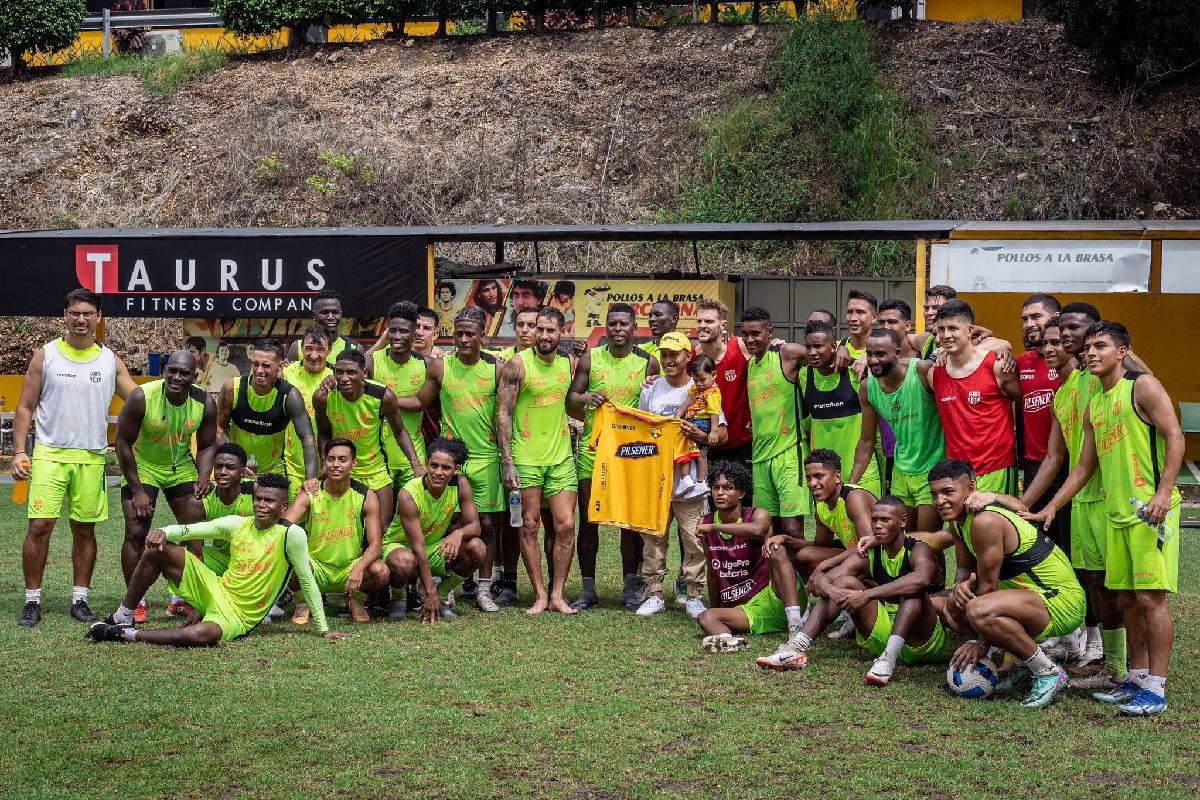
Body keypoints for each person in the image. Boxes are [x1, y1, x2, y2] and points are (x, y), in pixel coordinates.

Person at [1025, 321, 1181, 716]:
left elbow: (1175, 436)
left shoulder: (1141, 387)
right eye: (1088, 348)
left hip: (1150, 512)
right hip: (1116, 512)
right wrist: (1053, 505)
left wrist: (1163, 494)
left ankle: (1157, 690)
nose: (1091, 353)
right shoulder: (1095, 403)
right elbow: (1081, 468)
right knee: (1128, 598)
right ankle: (1137, 677)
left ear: (1122, 352)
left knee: (1151, 600)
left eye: (1101, 346)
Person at [84, 473, 349, 646]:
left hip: (240, 614)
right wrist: (163, 531)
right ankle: (124, 615)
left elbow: (306, 578)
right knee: (159, 548)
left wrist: (324, 628)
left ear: (283, 506)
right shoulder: (238, 524)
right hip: (215, 588)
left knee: (202, 635)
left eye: (270, 501)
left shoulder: (291, 534)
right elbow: (192, 530)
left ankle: (125, 634)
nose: (261, 505)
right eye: (258, 498)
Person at [14, 288, 137, 627]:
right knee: (40, 526)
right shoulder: (47, 355)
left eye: (88, 313)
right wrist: (20, 451)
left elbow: (139, 397)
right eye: (75, 313)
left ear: (98, 318)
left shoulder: (109, 360)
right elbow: (25, 406)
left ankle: (80, 600)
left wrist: (180, 393)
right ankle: (31, 601)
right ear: (65, 315)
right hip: (50, 455)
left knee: (84, 530)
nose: (81, 319)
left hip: (92, 457)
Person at [1021, 305, 1129, 686]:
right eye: (1056, 332)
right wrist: (1026, 504)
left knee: (1128, 589)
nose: (1062, 337)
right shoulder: (1065, 391)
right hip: (1081, 497)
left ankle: (1133, 669)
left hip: (1116, 495)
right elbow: (1056, 457)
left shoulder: (1113, 376)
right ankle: (1108, 662)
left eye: (1070, 329)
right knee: (1091, 578)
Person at [931, 459, 1085, 710]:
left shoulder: (985, 521)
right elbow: (964, 570)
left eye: (948, 492)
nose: (940, 502)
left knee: (978, 609)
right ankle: (1024, 666)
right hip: (1028, 600)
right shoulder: (959, 523)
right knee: (954, 606)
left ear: (971, 489)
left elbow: (989, 590)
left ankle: (1047, 672)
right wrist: (959, 586)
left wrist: (981, 645)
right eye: (934, 494)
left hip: (1060, 601)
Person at [391, 306, 504, 613]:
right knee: (451, 521)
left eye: (471, 334)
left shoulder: (497, 368)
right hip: (451, 457)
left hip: (486, 457)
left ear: (483, 335)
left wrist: (508, 459)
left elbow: (507, 414)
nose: (464, 339)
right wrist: (381, 396)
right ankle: (446, 589)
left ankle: (483, 590)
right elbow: (418, 402)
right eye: (460, 333)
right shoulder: (441, 367)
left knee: (487, 524)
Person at [770, 497, 949, 684]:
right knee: (844, 581)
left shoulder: (919, 550)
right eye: (874, 520)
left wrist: (867, 595)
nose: (877, 525)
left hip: (923, 642)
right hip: (886, 631)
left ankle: (888, 660)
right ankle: (797, 647)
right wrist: (833, 592)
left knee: (912, 591)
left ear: (903, 521)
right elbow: (823, 581)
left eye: (885, 520)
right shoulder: (870, 552)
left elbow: (920, 580)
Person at [567, 303, 659, 610]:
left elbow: (656, 408)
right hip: (594, 453)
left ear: (635, 328)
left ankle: (629, 590)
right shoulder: (591, 359)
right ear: (606, 327)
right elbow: (570, 402)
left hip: (631, 455)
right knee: (589, 520)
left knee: (629, 523)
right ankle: (587, 590)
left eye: (624, 324)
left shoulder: (648, 362)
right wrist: (586, 397)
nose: (618, 329)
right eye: (613, 324)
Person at [114, 350, 217, 622]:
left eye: (184, 373)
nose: (177, 377)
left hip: (180, 465)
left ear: (195, 377)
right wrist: (137, 490)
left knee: (194, 529)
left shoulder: (204, 401)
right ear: (165, 371)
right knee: (137, 531)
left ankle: (183, 598)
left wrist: (204, 475)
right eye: (172, 370)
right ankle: (136, 602)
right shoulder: (141, 397)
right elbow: (122, 443)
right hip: (144, 465)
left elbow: (207, 445)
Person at [752, 448, 876, 667]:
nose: (812, 483)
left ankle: (798, 644)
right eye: (808, 478)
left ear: (837, 476)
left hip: (877, 563)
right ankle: (811, 622)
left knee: (829, 578)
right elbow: (820, 547)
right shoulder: (822, 506)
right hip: (856, 561)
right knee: (805, 555)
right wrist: (785, 539)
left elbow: (869, 545)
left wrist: (825, 567)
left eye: (819, 476)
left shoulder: (853, 497)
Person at [635, 332, 729, 618]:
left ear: (688, 357)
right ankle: (655, 594)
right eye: (664, 354)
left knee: (695, 539)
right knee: (653, 539)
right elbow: (640, 429)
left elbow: (722, 434)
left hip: (692, 486)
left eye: (674, 354)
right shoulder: (651, 388)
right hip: (656, 479)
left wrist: (699, 434)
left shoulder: (703, 387)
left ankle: (693, 595)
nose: (668, 360)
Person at [498, 307, 578, 615]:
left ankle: (558, 594)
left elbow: (575, 399)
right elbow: (503, 413)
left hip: (560, 458)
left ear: (562, 332)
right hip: (526, 458)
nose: (543, 335)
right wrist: (507, 460)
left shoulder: (568, 364)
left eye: (550, 330)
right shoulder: (517, 365)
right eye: (539, 329)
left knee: (566, 526)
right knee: (529, 525)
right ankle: (540, 595)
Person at [694, 461, 798, 653]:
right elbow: (712, 571)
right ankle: (729, 642)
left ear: (742, 493)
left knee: (775, 549)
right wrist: (717, 610)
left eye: (728, 488)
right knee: (706, 616)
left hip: (775, 597)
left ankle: (796, 624)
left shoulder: (758, 514)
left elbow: (759, 530)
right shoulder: (706, 522)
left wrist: (714, 528)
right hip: (745, 610)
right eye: (715, 487)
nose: (720, 493)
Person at [284, 439, 390, 625]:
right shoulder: (311, 492)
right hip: (315, 568)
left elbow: (375, 545)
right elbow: (283, 526)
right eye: (331, 459)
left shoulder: (366, 496)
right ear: (324, 462)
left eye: (342, 459)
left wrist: (359, 567)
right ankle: (303, 601)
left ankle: (356, 599)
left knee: (381, 572)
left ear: (353, 464)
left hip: (349, 570)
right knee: (292, 565)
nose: (336, 465)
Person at [314, 351, 424, 525]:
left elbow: (400, 431)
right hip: (343, 471)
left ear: (364, 373)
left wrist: (415, 464)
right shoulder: (323, 397)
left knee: (382, 527)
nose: (344, 378)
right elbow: (323, 433)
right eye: (339, 372)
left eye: (351, 372)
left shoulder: (383, 397)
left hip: (376, 471)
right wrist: (324, 463)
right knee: (348, 527)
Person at [853, 328, 944, 535]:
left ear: (897, 352)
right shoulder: (868, 388)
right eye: (869, 354)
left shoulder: (921, 371)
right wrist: (850, 485)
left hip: (931, 469)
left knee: (926, 544)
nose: (873, 360)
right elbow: (867, 440)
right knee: (903, 543)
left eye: (881, 354)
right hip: (901, 471)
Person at [924, 300, 1021, 494]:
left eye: (953, 328)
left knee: (992, 523)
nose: (946, 335)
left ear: (969, 330)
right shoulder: (935, 374)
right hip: (957, 474)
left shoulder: (997, 366)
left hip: (996, 468)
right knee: (961, 525)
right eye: (941, 329)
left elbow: (1025, 405)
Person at [383, 438, 485, 622]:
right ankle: (399, 597)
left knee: (477, 547)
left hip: (432, 548)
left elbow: (475, 526)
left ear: (456, 470)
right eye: (434, 465)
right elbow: (417, 547)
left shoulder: (461, 485)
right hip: (400, 548)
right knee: (404, 560)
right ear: (426, 464)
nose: (438, 472)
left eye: (446, 468)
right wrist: (428, 591)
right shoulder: (409, 494)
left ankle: (443, 595)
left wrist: (458, 533)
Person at [740, 307, 811, 539]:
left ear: (769, 332)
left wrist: (846, 353)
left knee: (791, 530)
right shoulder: (750, 366)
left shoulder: (786, 353)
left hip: (789, 454)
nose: (750, 339)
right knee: (768, 531)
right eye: (745, 334)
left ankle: (802, 577)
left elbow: (821, 351)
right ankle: (776, 578)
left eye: (756, 333)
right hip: (760, 459)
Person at [216, 338, 319, 496]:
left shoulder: (289, 396)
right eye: (255, 364)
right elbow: (219, 427)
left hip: (273, 470)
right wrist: (235, 463)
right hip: (238, 470)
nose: (259, 371)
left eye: (266, 366)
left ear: (280, 367)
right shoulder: (233, 388)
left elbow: (308, 438)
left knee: (275, 517)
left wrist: (311, 478)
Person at [797, 320, 882, 497]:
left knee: (868, 524)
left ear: (833, 346)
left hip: (862, 472)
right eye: (808, 347)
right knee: (827, 524)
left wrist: (852, 483)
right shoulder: (804, 375)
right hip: (824, 478)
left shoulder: (855, 371)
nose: (812, 352)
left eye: (818, 346)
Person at [1015, 294, 1069, 550]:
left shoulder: (1077, 365)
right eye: (1024, 319)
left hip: (1070, 467)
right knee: (1038, 542)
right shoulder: (1020, 363)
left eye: (1035, 316)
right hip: (1034, 465)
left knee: (1070, 542)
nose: (1028, 324)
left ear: (1056, 318)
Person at [367, 303, 430, 518]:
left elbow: (420, 403)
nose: (397, 336)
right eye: (392, 330)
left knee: (412, 518)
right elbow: (348, 368)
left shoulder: (427, 365)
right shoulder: (373, 362)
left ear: (414, 334)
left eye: (404, 331)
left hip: (413, 455)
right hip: (378, 458)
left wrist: (385, 399)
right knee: (376, 521)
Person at [694, 298, 754, 499]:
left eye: (709, 321)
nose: (702, 325)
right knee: (710, 507)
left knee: (743, 507)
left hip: (742, 444)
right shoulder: (694, 356)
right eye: (699, 321)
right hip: (708, 445)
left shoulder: (741, 347)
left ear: (722, 325)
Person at [281, 325, 333, 503]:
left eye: (320, 350)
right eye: (309, 349)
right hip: (291, 462)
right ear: (301, 348)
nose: (314, 355)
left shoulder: (336, 379)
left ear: (330, 350)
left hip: (327, 465)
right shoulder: (286, 374)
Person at [200, 443, 255, 576]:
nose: (222, 472)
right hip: (220, 559)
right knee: (178, 553)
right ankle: (182, 595)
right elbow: (192, 544)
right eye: (218, 467)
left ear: (242, 472)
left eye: (230, 468)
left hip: (253, 561)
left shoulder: (257, 493)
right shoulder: (201, 501)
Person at [675, 355, 721, 488]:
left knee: (695, 452)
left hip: (702, 422)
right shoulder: (696, 389)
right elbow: (687, 402)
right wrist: (678, 415)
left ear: (713, 375)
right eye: (695, 381)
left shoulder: (712, 393)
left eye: (702, 380)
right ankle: (691, 480)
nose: (699, 384)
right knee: (695, 452)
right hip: (691, 419)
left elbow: (714, 413)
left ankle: (696, 481)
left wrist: (714, 431)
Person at [286, 289, 358, 365]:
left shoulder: (353, 347)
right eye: (324, 313)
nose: (330, 317)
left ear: (341, 314)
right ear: (314, 316)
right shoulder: (297, 348)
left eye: (335, 312)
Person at [920, 285, 958, 358]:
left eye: (936, 308)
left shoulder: (965, 340)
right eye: (927, 308)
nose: (929, 312)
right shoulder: (927, 340)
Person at [841, 289, 878, 360]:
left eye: (860, 312)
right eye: (850, 312)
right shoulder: (835, 349)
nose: (853, 318)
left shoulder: (882, 353)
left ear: (874, 318)